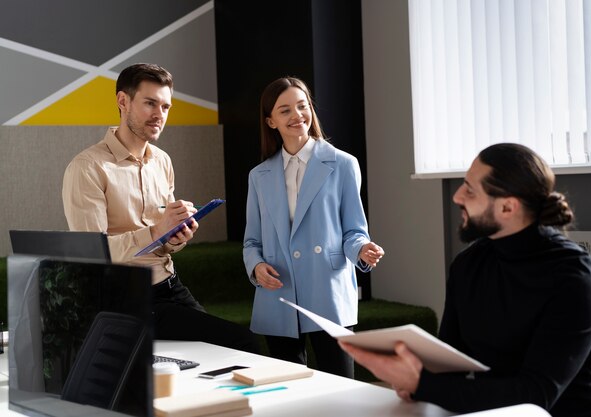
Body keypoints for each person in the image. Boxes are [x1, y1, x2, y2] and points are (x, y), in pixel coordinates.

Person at [340, 143, 591, 416]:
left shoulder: (576, 281)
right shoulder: (469, 264)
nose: (457, 196)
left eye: (470, 190)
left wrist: (423, 384)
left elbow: (535, 396)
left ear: (508, 207)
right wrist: (415, 377)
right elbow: (449, 360)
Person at [62, 63, 259, 353]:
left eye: (165, 107)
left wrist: (175, 236)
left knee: (226, 351)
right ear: (123, 102)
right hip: (123, 298)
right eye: (150, 103)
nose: (159, 115)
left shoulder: (162, 161)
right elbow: (92, 256)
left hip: (170, 287)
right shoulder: (88, 167)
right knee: (242, 342)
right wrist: (156, 230)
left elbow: (163, 243)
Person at [243, 76, 385, 378]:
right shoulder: (259, 176)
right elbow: (251, 241)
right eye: (285, 110)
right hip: (279, 290)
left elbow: (353, 230)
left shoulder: (343, 164)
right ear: (270, 121)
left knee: (341, 390)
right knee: (289, 391)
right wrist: (256, 267)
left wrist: (362, 248)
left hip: (326, 288)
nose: (297, 116)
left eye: (302, 106)